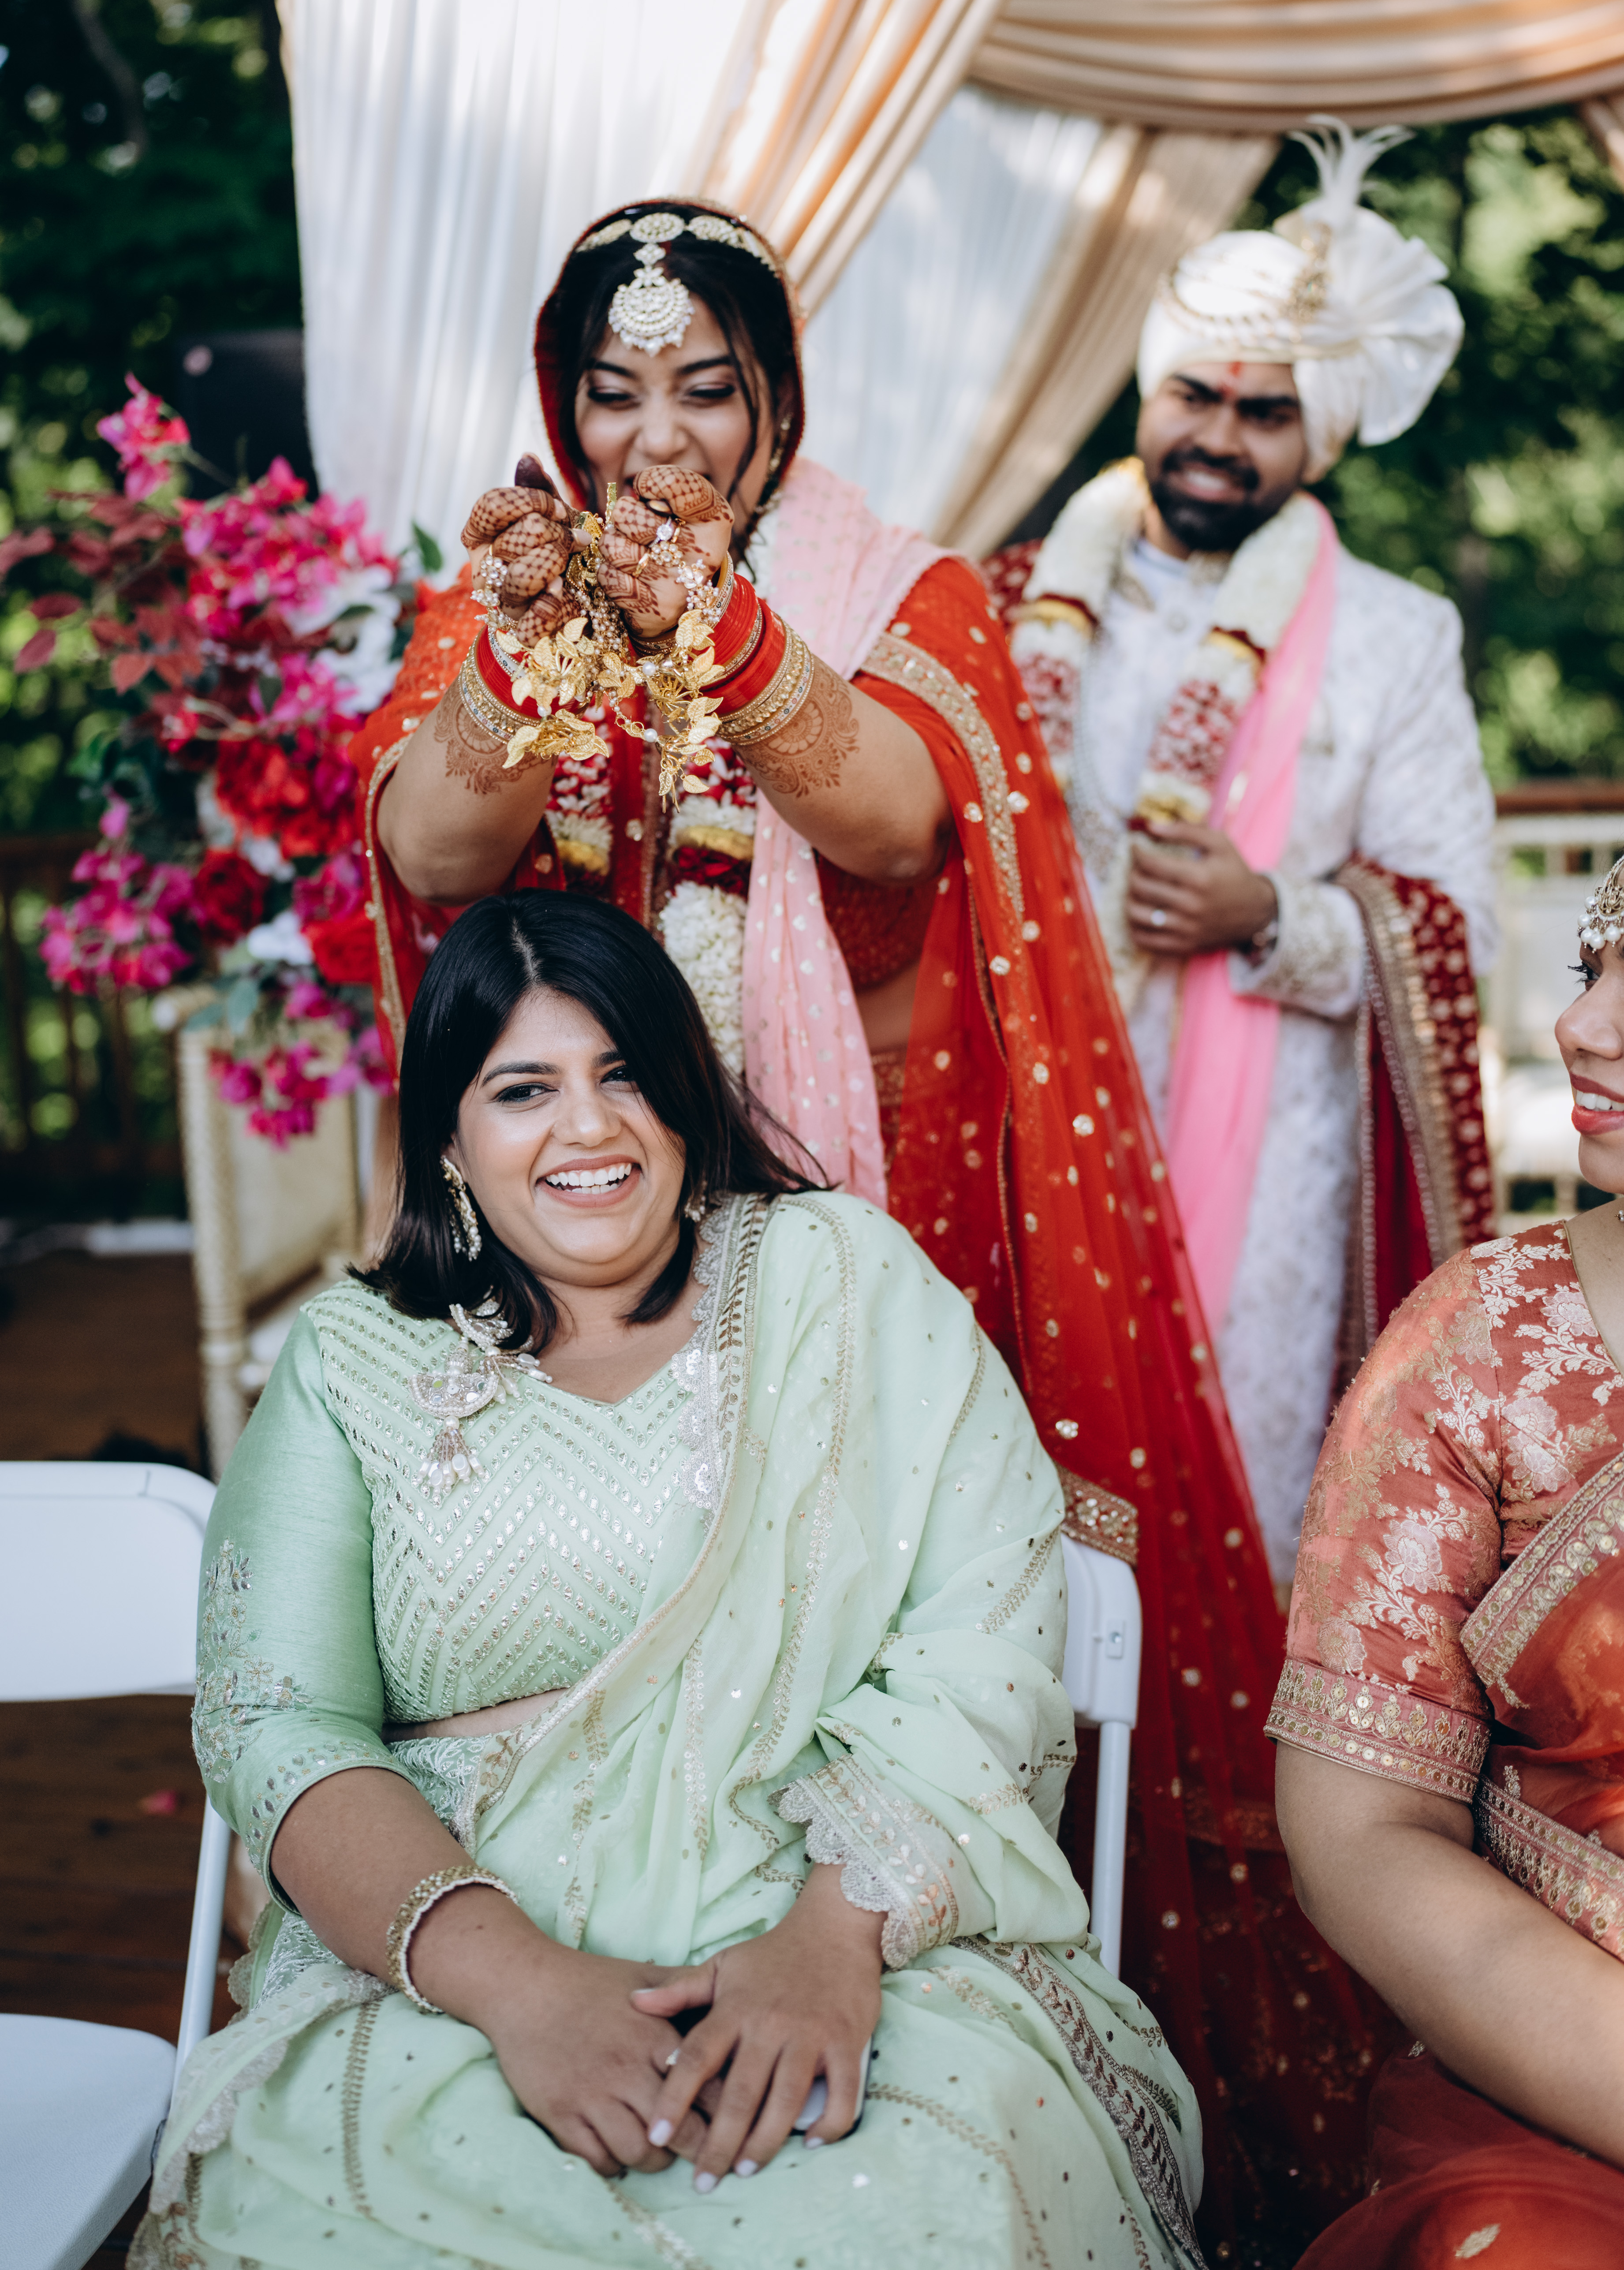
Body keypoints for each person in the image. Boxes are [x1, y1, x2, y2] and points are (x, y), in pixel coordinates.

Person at [347, 195, 1360, 2238]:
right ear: (561, 405)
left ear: (780, 400)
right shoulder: (519, 581)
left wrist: (718, 624)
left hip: (855, 1229)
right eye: (613, 392)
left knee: (873, 1610)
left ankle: (831, 1925)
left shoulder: (902, 587)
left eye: (705, 390)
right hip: (569, 1224)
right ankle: (600, 1942)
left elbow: (896, 813)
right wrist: (534, 649)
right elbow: (430, 844)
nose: (658, 437)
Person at [133, 891, 1203, 2270]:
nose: (588, 1128)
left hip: (846, 1935)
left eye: (624, 1072)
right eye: (523, 1089)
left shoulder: (844, 1282)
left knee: (920, 2198)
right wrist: (522, 1990)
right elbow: (278, 1723)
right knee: (330, 2213)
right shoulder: (354, 1361)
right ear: (449, 1137)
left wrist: (827, 1949)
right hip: (449, 1966)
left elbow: (983, 1640)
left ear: (686, 1093)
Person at [988, 122, 1499, 1589]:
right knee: (1015, 1507)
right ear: (1147, 395)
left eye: (1264, 411)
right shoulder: (1008, 607)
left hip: (1273, 1166)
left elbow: (1456, 925)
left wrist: (1266, 911)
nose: (1219, 433)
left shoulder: (1395, 636)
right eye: (1193, 394)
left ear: (1317, 437)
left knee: (1252, 1500)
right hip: (1034, 1125)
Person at [1264, 852, 1624, 2265]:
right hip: (1567, 2077)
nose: (1579, 1025)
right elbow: (1359, 1835)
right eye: (1592, 970)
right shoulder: (1479, 1350)